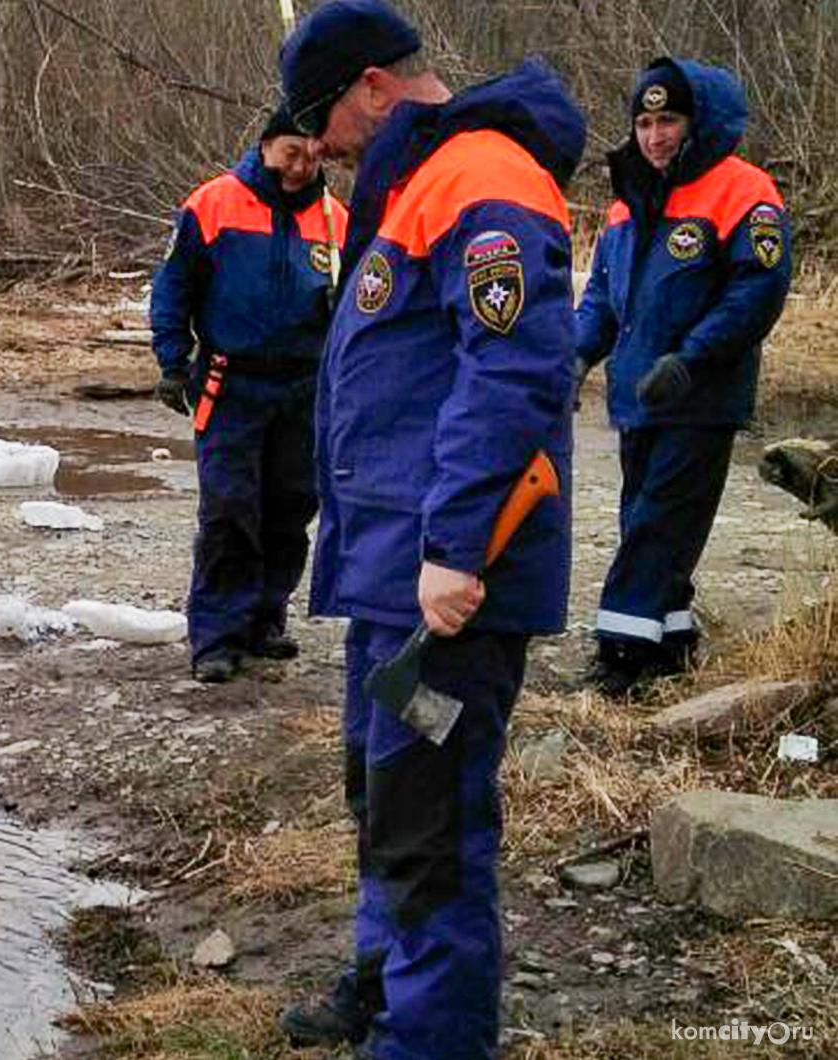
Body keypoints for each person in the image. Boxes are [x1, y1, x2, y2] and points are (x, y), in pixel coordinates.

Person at [273, 3, 582, 1058]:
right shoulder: (410, 182)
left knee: (430, 821)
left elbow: (515, 367)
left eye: (319, 118)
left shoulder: (479, 176)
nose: (312, 146)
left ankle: (431, 1038)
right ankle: (382, 978)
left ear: (370, 87)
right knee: (383, 788)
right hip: (391, 575)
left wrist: (453, 548)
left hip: (453, 572)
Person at [575, 59, 791, 698]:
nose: (654, 135)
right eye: (644, 122)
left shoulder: (743, 190)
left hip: (699, 396)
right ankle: (669, 639)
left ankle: (622, 652)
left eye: (668, 120)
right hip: (638, 395)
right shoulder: (630, 198)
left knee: (658, 524)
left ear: (699, 122)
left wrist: (692, 358)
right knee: (645, 519)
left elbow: (758, 290)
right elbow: (604, 300)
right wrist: (575, 356)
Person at [150, 107, 347, 684]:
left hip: (305, 388)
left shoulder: (336, 220)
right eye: (291, 152)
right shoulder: (213, 204)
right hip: (230, 383)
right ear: (265, 147)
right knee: (230, 511)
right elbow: (174, 286)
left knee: (290, 509)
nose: (301, 165)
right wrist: (171, 358)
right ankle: (216, 635)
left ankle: (266, 618)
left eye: (312, 155)